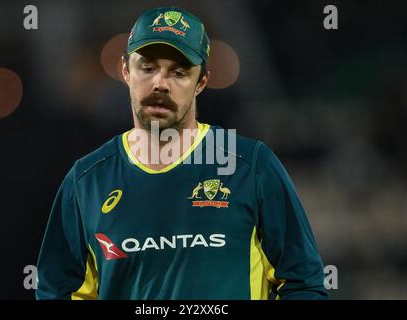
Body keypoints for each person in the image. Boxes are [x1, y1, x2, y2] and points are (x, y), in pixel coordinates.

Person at [36, 6, 328, 300]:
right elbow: (56, 292)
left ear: (201, 81)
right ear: (126, 71)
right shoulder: (87, 181)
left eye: (178, 72)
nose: (160, 84)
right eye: (147, 68)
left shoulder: (250, 167)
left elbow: (303, 283)